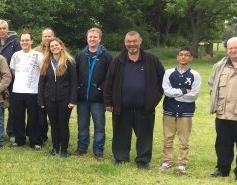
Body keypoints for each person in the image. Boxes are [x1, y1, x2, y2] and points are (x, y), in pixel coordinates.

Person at [104, 31, 164, 169]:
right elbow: (109, 82)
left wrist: (155, 97)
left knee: (144, 135)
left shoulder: (151, 59)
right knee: (120, 134)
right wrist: (108, 102)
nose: (132, 44)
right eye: (129, 42)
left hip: (144, 108)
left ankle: (142, 160)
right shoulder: (118, 60)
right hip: (121, 106)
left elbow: (162, 79)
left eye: (134, 41)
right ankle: (120, 158)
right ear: (125, 43)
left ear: (140, 41)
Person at [208, 37, 237, 183]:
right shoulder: (219, 66)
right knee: (222, 144)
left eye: (235, 47)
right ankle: (222, 169)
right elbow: (212, 85)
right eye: (229, 48)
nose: (232, 50)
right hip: (223, 113)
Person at [158, 47, 201, 173]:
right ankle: (167, 161)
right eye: (181, 54)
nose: (183, 57)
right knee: (168, 138)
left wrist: (174, 95)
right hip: (169, 110)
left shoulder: (195, 75)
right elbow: (166, 91)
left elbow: (194, 95)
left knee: (184, 139)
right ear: (177, 57)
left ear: (191, 58)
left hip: (186, 111)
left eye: (186, 55)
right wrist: (182, 91)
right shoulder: (169, 73)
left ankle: (182, 163)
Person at [74, 27, 113, 160]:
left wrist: (101, 88)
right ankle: (82, 148)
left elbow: (110, 77)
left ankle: (98, 150)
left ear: (100, 39)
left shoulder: (106, 56)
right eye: (90, 37)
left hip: (98, 98)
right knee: (82, 124)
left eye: (95, 37)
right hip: (82, 97)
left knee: (99, 126)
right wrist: (78, 87)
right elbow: (75, 74)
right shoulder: (81, 55)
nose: (92, 39)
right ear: (87, 38)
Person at [38, 38, 77, 157]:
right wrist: (41, 99)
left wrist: (72, 100)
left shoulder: (69, 62)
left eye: (56, 45)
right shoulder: (46, 62)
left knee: (63, 124)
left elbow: (74, 83)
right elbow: (41, 83)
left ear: (61, 46)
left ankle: (64, 150)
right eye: (51, 46)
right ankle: (55, 147)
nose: (54, 47)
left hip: (64, 99)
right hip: (49, 99)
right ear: (49, 49)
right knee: (54, 125)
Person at [9, 32, 43, 150]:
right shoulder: (15, 55)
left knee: (33, 117)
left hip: (33, 91)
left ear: (32, 41)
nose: (25, 42)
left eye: (27, 40)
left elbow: (42, 71)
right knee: (18, 116)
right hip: (17, 90)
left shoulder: (38, 55)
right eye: (23, 40)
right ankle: (19, 139)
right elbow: (13, 70)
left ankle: (34, 141)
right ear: (20, 42)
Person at [0, 20, 21, 142]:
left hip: (12, 78)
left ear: (7, 29)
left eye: (4, 28)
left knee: (12, 106)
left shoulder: (15, 41)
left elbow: (18, 58)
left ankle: (12, 132)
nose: (2, 30)